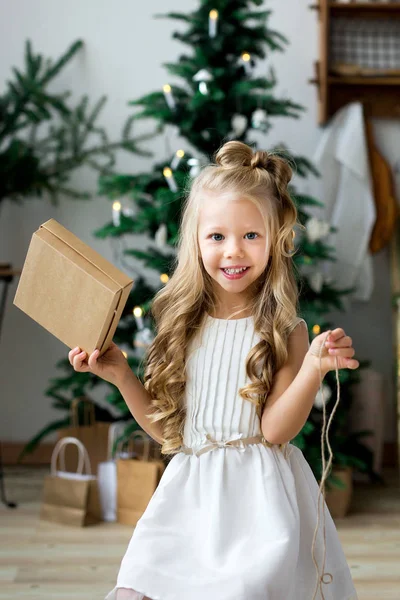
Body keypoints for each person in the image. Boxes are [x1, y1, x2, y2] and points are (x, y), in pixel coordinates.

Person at [69, 141, 359, 600]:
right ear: (196, 240)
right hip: (188, 500)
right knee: (137, 589)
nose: (234, 252)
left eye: (251, 235)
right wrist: (123, 375)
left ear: (274, 239)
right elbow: (172, 435)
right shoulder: (182, 324)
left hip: (257, 506)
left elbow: (275, 431)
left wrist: (313, 369)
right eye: (217, 236)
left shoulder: (286, 329)